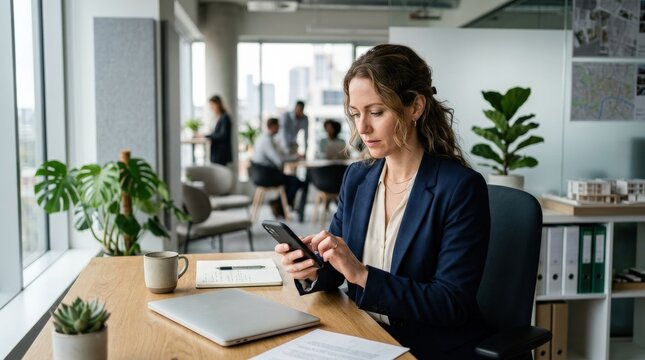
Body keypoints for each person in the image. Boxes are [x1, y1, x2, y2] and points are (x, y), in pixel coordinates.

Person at [275, 44, 491, 359]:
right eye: (355, 114)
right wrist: (310, 267)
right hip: (365, 335)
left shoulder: (460, 188)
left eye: (376, 112)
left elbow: (451, 304)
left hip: (426, 347)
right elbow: (340, 269)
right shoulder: (358, 179)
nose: (362, 128)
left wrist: (362, 275)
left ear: (415, 107)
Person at [251, 117, 303, 217]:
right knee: (295, 181)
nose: (279, 129)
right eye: (278, 126)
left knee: (292, 181)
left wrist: (294, 157)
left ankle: (278, 204)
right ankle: (279, 206)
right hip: (265, 175)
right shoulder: (267, 141)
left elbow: (281, 157)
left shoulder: (264, 138)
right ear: (273, 126)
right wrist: (294, 157)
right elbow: (278, 160)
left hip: (261, 174)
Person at [206, 95, 232, 165]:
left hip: (221, 152)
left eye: (212, 105)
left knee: (220, 173)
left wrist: (207, 136)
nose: (211, 107)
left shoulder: (225, 118)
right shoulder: (215, 117)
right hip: (215, 151)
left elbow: (223, 135)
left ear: (218, 104)